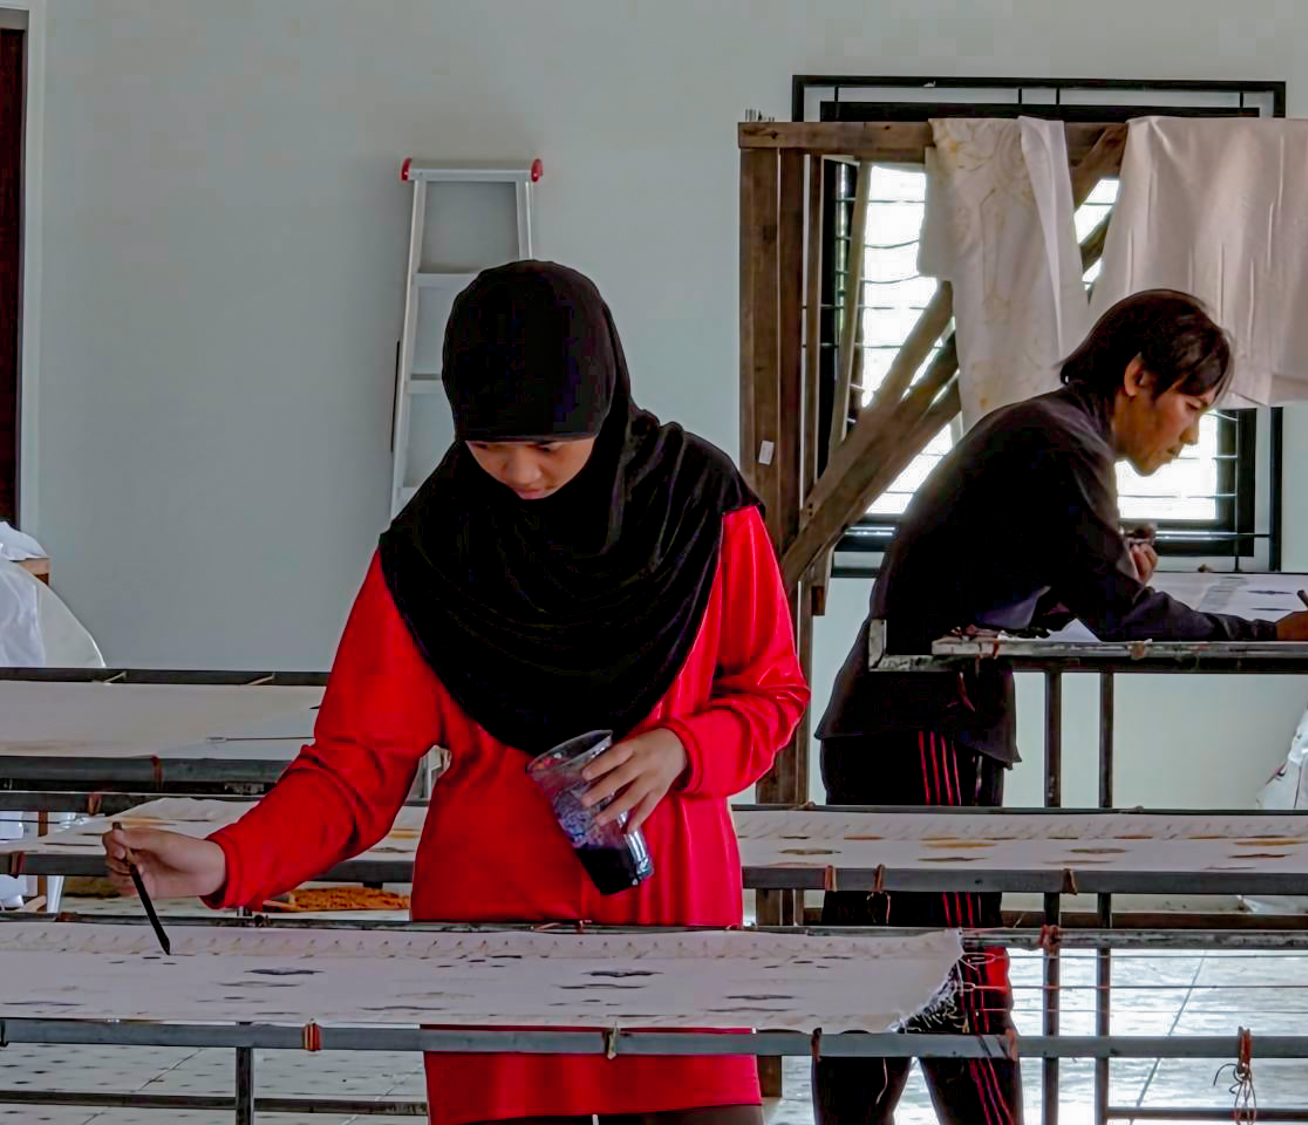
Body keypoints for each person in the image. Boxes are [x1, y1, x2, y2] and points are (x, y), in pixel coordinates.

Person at [102, 261, 810, 1125]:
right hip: (488, 942)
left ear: (602, 403)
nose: (520, 472)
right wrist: (227, 861)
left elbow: (772, 694)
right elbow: (354, 769)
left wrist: (684, 748)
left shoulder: (701, 508)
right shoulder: (432, 551)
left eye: (548, 444)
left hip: (671, 926)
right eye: (487, 445)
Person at [812, 289, 1308, 1125]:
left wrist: (1098, 579)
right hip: (925, 725)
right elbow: (1124, 616)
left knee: (879, 968)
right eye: (1192, 406)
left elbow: (1017, 590)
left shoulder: (1040, 430)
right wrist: (1271, 633)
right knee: (954, 966)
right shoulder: (1063, 445)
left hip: (893, 720)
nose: (1190, 435)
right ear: (1137, 377)